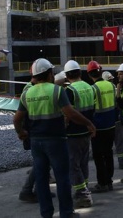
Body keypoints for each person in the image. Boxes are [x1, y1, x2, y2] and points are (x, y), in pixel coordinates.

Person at [13, 58, 96, 218]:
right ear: (50, 73)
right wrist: (88, 123)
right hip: (56, 140)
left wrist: (21, 132)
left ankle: (46, 214)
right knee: (62, 178)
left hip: (37, 142)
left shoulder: (27, 93)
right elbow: (70, 113)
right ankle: (66, 213)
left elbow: (17, 119)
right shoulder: (57, 91)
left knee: (42, 179)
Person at [63, 60, 95, 208]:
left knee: (73, 165)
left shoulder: (70, 91)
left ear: (67, 75)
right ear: (80, 73)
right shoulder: (89, 87)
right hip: (87, 131)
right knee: (83, 163)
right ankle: (85, 188)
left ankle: (82, 195)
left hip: (74, 133)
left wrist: (64, 126)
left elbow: (69, 114)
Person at [87, 61, 117, 193]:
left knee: (99, 156)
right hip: (111, 125)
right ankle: (109, 181)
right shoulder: (111, 85)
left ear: (89, 74)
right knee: (109, 153)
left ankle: (102, 183)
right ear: (101, 71)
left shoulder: (92, 89)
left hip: (98, 127)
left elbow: (90, 108)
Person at [103, 71, 123, 170]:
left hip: (105, 121)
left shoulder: (100, 89)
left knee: (107, 144)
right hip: (116, 119)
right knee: (119, 142)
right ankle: (122, 162)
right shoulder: (115, 89)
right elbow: (120, 103)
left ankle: (106, 164)